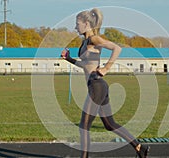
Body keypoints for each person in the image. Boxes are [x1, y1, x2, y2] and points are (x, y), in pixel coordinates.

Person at [61, 8, 150, 158]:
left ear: (86, 23)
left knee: (84, 126)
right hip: (97, 86)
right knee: (109, 124)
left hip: (97, 86)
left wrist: (106, 67)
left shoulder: (94, 39)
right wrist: (69, 58)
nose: (75, 27)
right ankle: (140, 148)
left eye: (77, 24)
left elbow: (117, 48)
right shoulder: (85, 42)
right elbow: (85, 65)